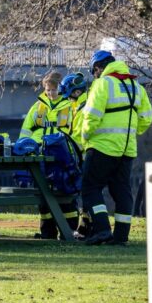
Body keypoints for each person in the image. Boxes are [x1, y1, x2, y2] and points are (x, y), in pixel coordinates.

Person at [81, 50, 152, 245]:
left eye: (94, 71)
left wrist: (85, 137)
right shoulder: (137, 87)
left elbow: (91, 116)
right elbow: (146, 118)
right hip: (127, 149)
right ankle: (121, 236)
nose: (94, 75)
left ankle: (102, 230)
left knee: (90, 188)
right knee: (122, 192)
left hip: (102, 147)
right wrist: (131, 133)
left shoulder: (102, 84)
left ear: (98, 68)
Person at [21, 71, 79, 239]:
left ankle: (69, 230)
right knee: (43, 191)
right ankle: (48, 232)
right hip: (40, 151)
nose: (50, 93)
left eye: (53, 90)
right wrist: (24, 146)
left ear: (60, 89)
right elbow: (26, 129)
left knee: (65, 191)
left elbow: (75, 130)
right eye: (47, 90)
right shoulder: (38, 106)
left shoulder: (70, 106)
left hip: (63, 154)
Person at [59, 72, 91, 237]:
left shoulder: (85, 105)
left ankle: (87, 228)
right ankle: (85, 228)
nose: (68, 98)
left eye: (69, 95)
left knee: (88, 193)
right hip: (82, 155)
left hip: (86, 155)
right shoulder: (78, 105)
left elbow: (79, 135)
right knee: (85, 193)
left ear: (76, 92)